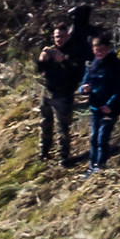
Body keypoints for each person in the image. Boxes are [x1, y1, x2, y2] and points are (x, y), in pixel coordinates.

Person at [76, 37, 120, 174]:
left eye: (102, 49)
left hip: (110, 109)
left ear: (107, 48)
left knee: (102, 139)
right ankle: (92, 166)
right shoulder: (92, 65)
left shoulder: (118, 65)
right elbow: (82, 85)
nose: (99, 52)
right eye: (96, 50)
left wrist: (110, 105)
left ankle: (100, 166)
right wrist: (84, 88)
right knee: (94, 138)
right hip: (95, 107)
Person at [36, 21, 86, 168]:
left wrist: (63, 61)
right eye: (57, 36)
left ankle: (63, 157)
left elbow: (78, 74)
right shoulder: (50, 51)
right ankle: (44, 151)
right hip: (47, 92)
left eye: (62, 36)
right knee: (45, 123)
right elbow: (40, 70)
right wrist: (41, 59)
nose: (59, 39)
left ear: (67, 36)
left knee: (62, 127)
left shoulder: (74, 52)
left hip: (64, 95)